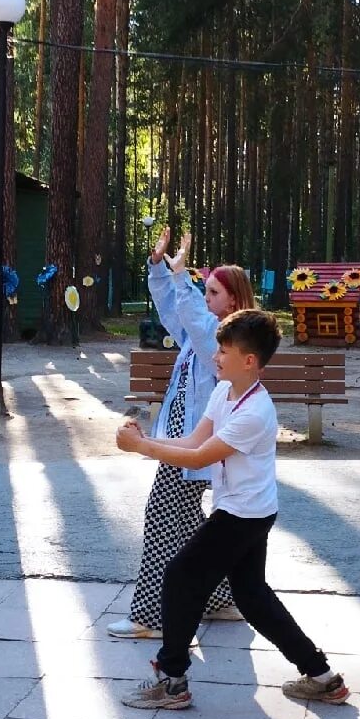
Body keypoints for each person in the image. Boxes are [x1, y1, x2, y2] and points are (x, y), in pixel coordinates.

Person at [113, 309, 347, 710]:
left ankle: (172, 681)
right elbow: (192, 442)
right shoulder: (225, 391)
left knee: (181, 575)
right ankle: (322, 677)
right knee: (252, 596)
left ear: (249, 361)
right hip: (249, 510)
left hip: (242, 516)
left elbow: (201, 458)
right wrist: (146, 439)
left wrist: (142, 448)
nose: (217, 357)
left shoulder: (256, 412)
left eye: (224, 351)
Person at [107, 228, 255, 639]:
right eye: (204, 291)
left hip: (194, 449)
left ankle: (150, 617)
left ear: (234, 302)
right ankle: (220, 599)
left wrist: (181, 276)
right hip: (184, 442)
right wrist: (159, 268)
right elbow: (175, 310)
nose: (204, 298)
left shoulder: (227, 339)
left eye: (212, 293)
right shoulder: (203, 329)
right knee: (187, 521)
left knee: (161, 517)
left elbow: (188, 312)